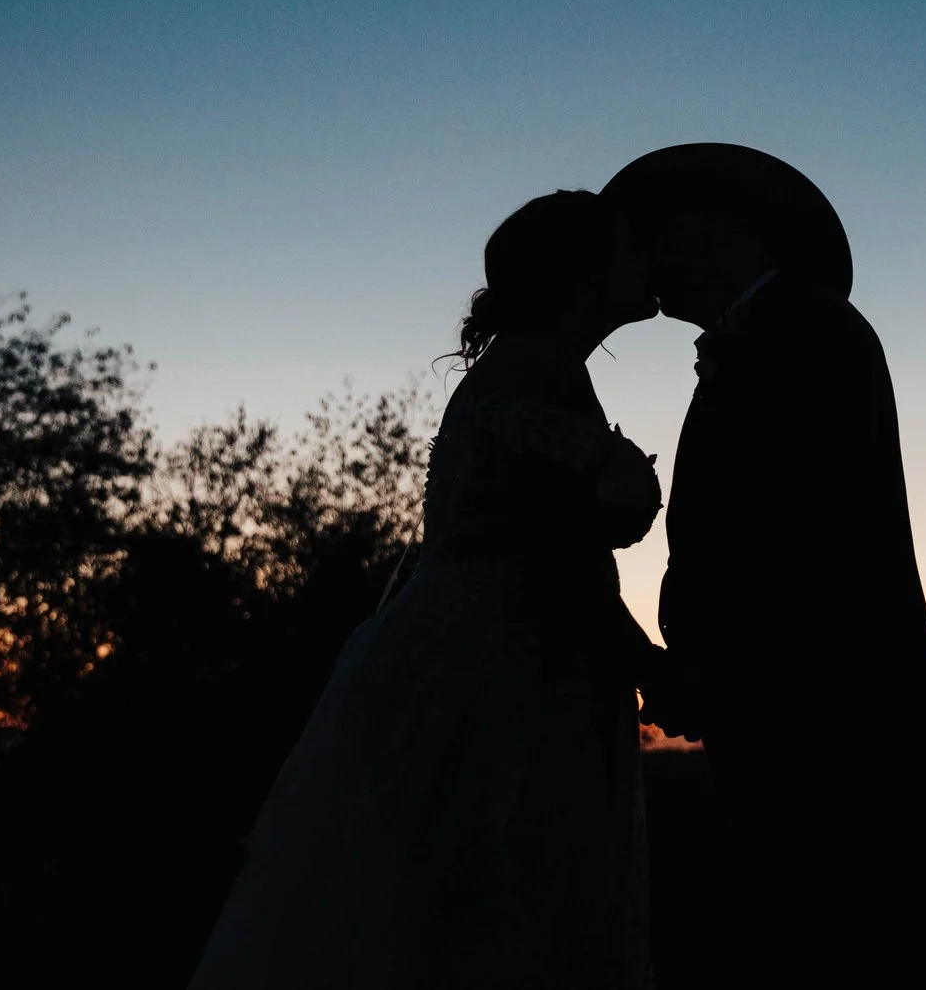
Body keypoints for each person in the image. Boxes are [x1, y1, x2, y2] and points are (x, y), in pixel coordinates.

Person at [191, 190, 666, 990]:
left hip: (497, 654)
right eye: (630, 246)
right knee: (492, 913)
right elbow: (551, 559)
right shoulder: (531, 372)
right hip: (497, 675)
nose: (649, 258)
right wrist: (650, 664)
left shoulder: (541, 368)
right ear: (583, 275)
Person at [604, 144, 926, 983]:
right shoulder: (764, 336)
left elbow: (801, 546)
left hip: (836, 739)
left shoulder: (812, 329)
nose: (652, 256)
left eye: (666, 232)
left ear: (725, 227)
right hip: (787, 726)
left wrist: (711, 674)